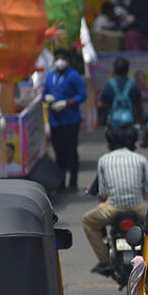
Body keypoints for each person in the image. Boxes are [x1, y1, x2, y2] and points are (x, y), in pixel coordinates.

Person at [84, 125, 148, 275]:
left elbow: (103, 192)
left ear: (110, 143)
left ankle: (105, 261)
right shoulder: (141, 159)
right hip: (139, 207)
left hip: (112, 208)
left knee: (87, 221)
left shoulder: (104, 160)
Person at [43, 48, 87, 190]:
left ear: (67, 60)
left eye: (62, 58)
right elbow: (44, 94)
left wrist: (67, 102)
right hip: (55, 120)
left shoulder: (74, 76)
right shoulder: (50, 76)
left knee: (71, 150)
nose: (59, 61)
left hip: (71, 119)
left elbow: (82, 95)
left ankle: (73, 181)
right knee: (58, 151)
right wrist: (47, 98)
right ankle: (60, 182)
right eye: (57, 58)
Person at [99, 57, 144, 127]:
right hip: (130, 125)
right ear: (127, 70)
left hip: (113, 125)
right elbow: (140, 108)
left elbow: (100, 104)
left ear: (114, 70)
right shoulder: (134, 86)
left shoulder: (108, 86)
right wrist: (139, 123)